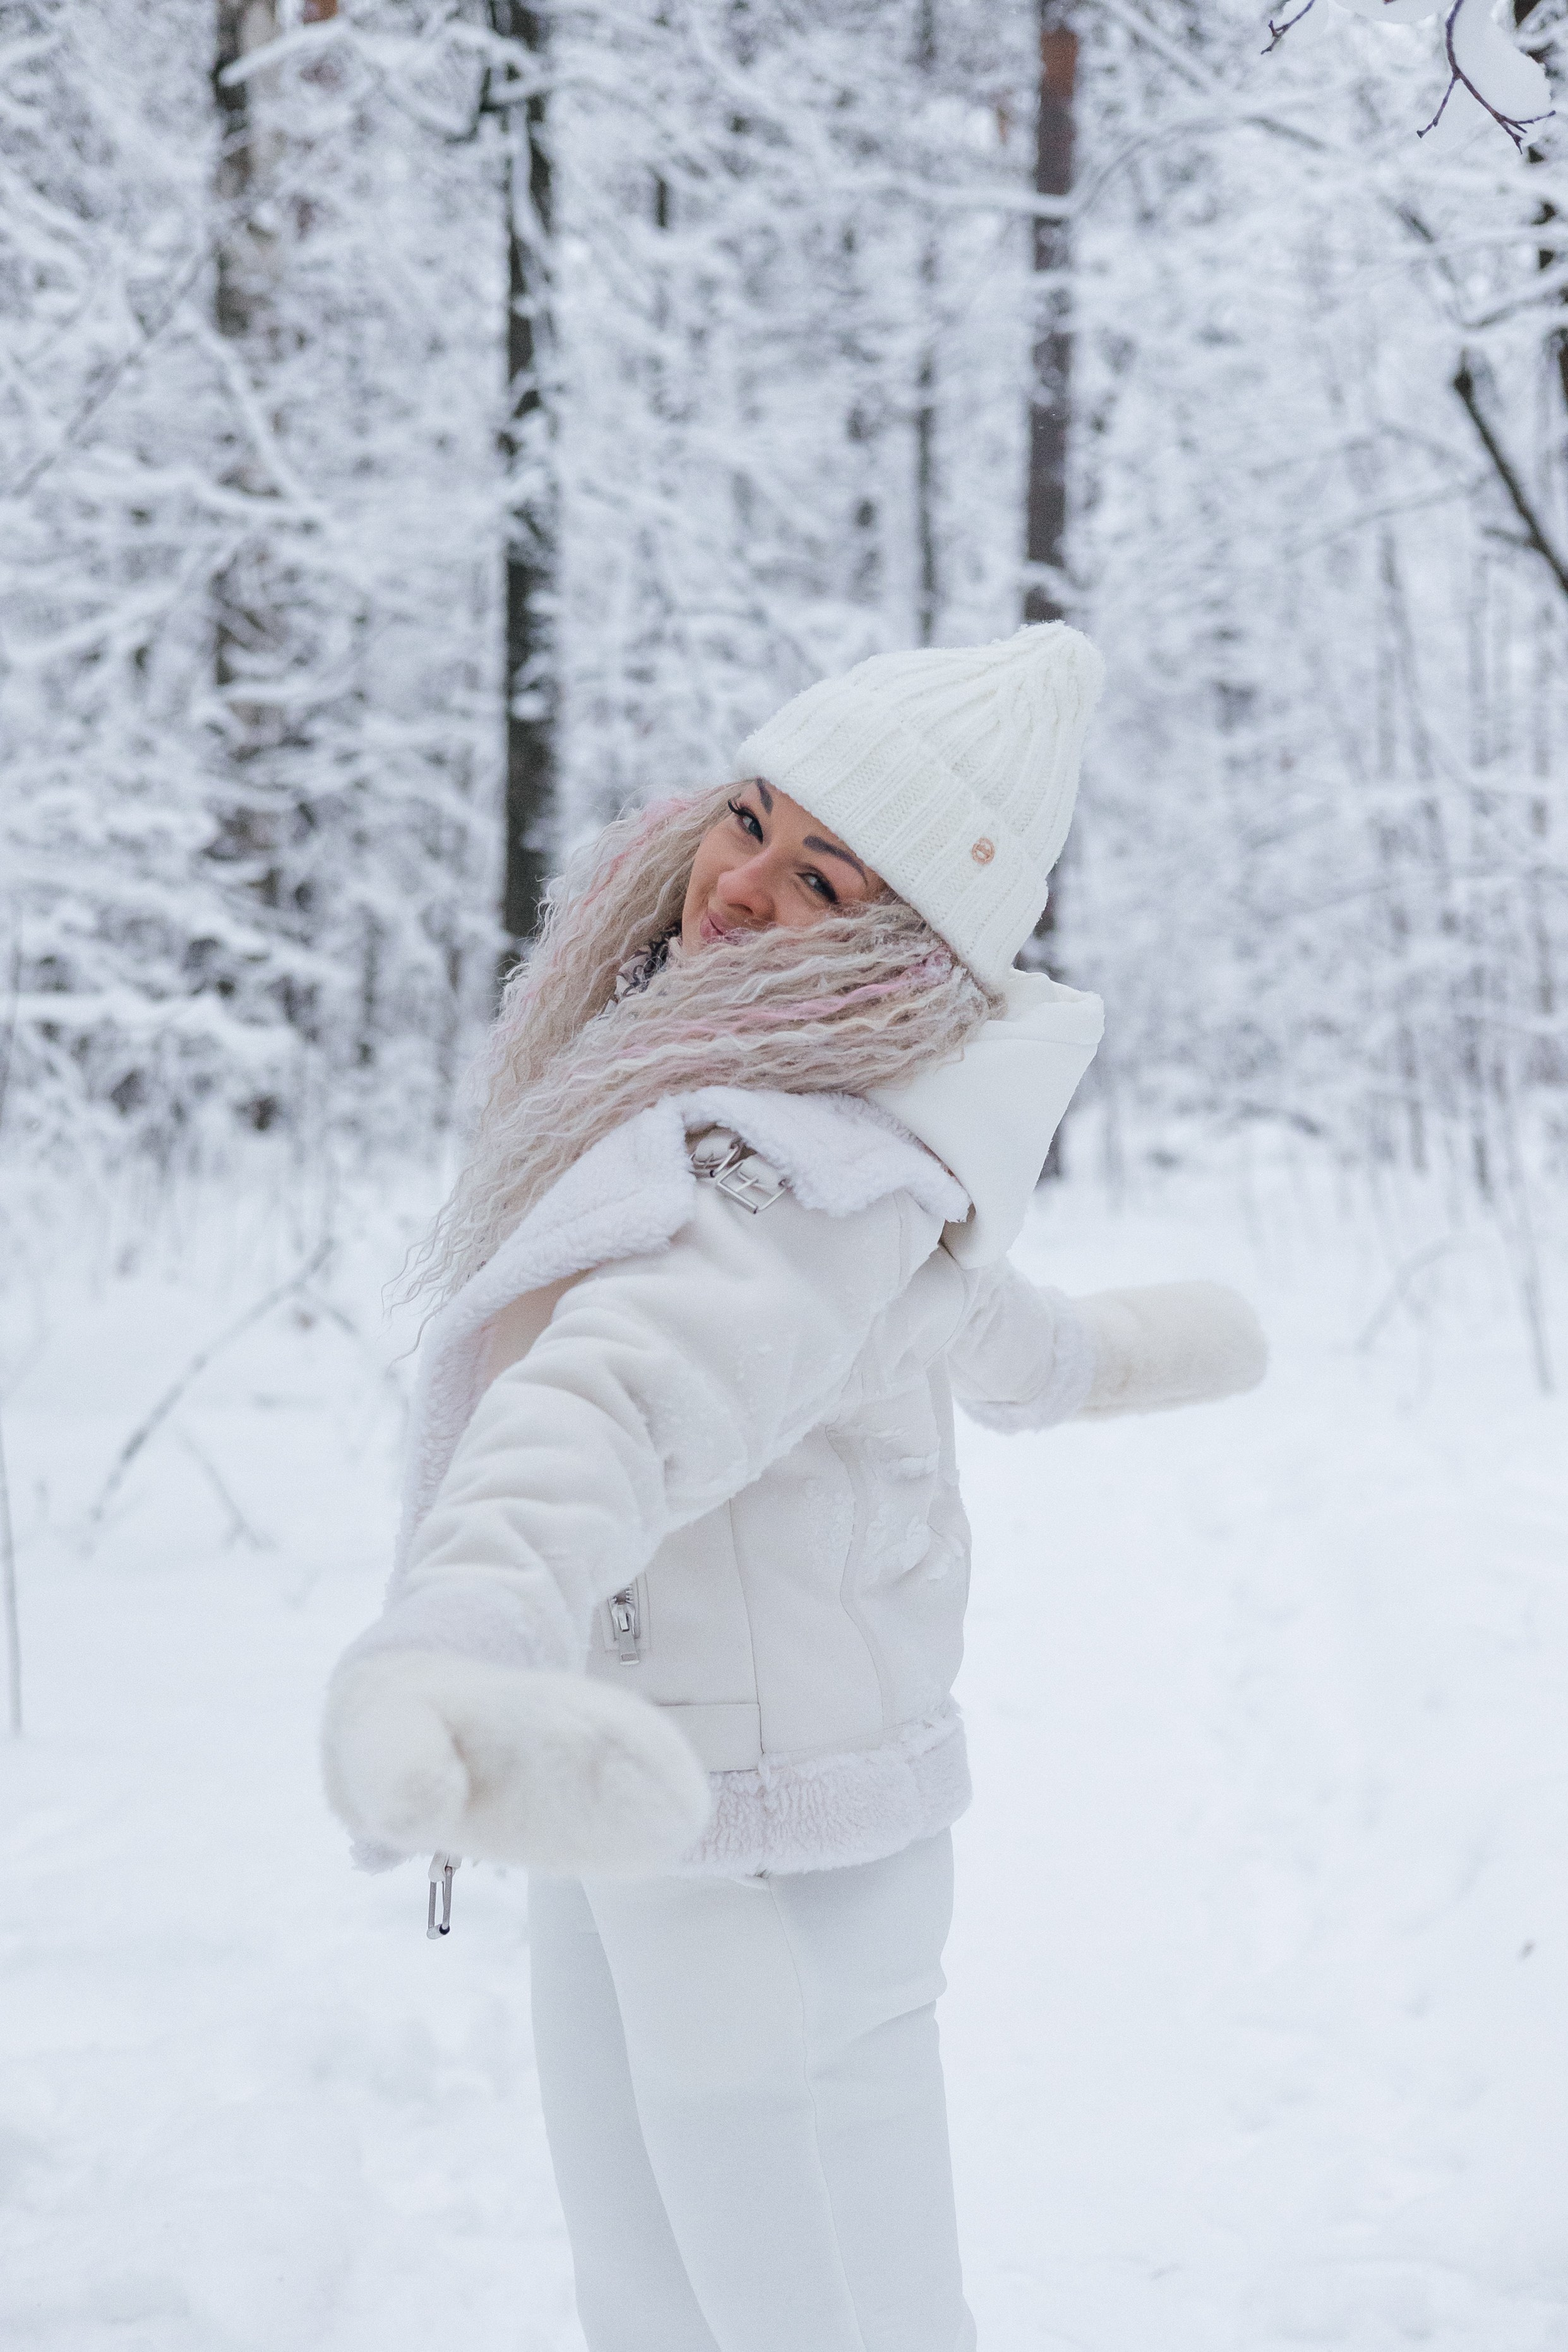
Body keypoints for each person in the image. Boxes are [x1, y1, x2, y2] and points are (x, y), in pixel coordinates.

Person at [321, 623, 1266, 2352]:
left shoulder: (797, 1171)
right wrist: (1136, 1350)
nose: (737, 888)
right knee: (659, 2302)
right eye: (747, 818)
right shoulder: (790, 1114)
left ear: (910, 953)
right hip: (654, 1806)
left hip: (765, 1857)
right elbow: (979, 1333)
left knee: (813, 2314)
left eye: (821, 877)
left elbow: (616, 1400)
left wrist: (456, 1624)